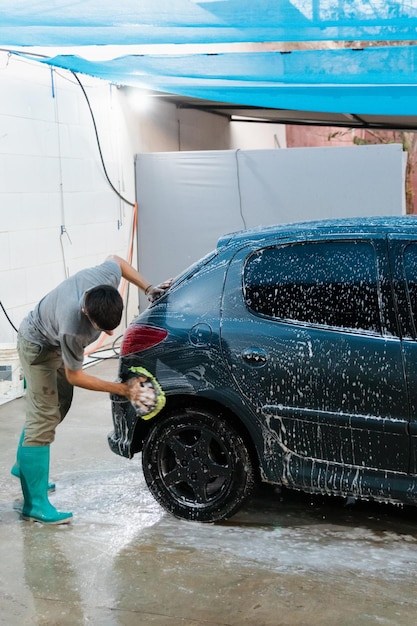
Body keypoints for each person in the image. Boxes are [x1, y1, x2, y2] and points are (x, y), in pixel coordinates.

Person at [11, 254, 171, 525]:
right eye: (102, 329)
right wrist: (124, 389)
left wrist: (148, 288)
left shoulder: (104, 277)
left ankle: (25, 466)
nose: (109, 335)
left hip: (53, 339)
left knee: (60, 405)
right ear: (86, 313)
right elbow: (76, 376)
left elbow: (117, 261)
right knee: (43, 418)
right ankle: (34, 505)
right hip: (38, 347)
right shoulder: (73, 329)